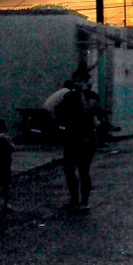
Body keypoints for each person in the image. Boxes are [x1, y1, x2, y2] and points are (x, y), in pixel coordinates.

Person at [55, 79, 99, 210]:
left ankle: (84, 201)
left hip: (87, 137)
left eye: (81, 81)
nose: (78, 84)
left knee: (83, 170)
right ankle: (74, 199)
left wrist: (80, 95)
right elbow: (59, 110)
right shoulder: (69, 97)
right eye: (76, 81)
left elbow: (88, 110)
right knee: (69, 169)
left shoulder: (91, 96)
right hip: (72, 137)